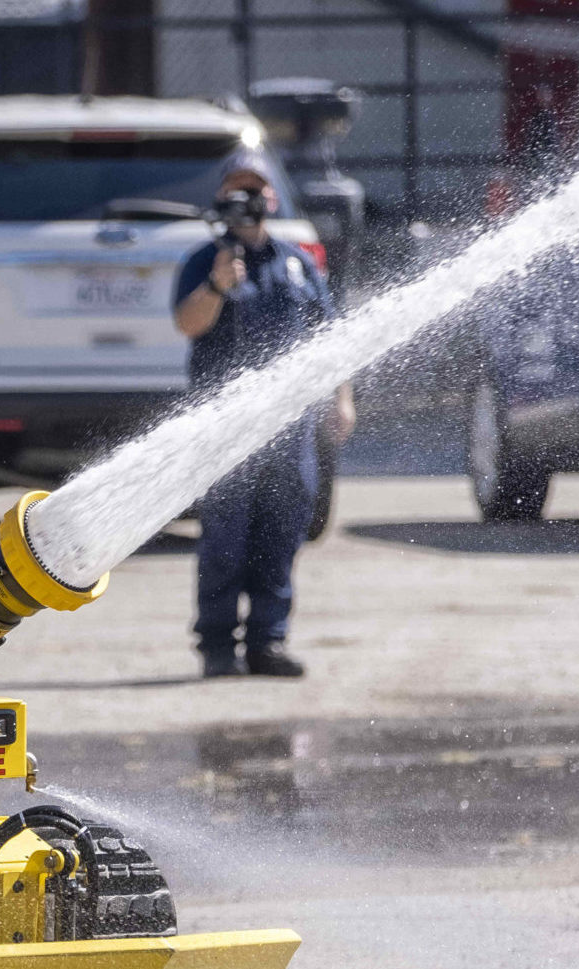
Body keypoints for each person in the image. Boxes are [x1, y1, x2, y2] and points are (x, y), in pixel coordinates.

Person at [171, 161, 355, 679]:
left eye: (256, 191)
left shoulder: (298, 263)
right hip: (225, 426)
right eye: (236, 193)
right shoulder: (205, 261)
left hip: (289, 427)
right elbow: (187, 323)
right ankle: (216, 645)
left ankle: (268, 642)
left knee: (282, 533)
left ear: (272, 199)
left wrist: (341, 398)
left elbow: (328, 337)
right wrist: (216, 285)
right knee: (225, 537)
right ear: (221, 202)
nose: (248, 201)